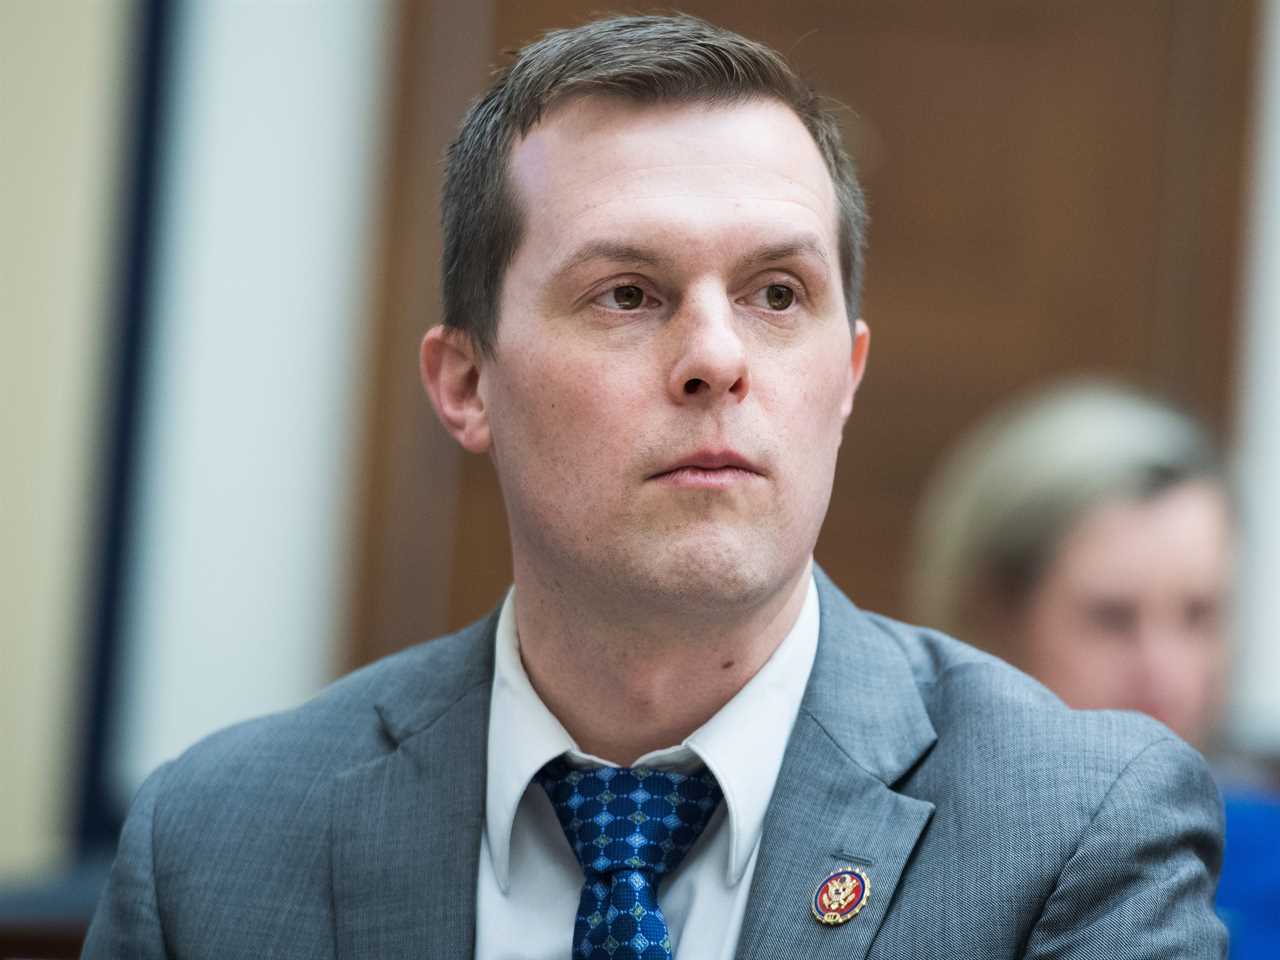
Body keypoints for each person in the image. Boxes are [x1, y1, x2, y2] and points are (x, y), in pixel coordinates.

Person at [83, 16, 1225, 960]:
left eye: (777, 294)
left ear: (846, 378)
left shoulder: (1076, 830)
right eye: (627, 293)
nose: (716, 357)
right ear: (467, 384)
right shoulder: (213, 848)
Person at [910, 378, 1275, 956]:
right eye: (1112, 618)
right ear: (995, 616)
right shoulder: (891, 850)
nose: (1166, 671)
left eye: (1199, 616)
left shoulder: (1267, 859)